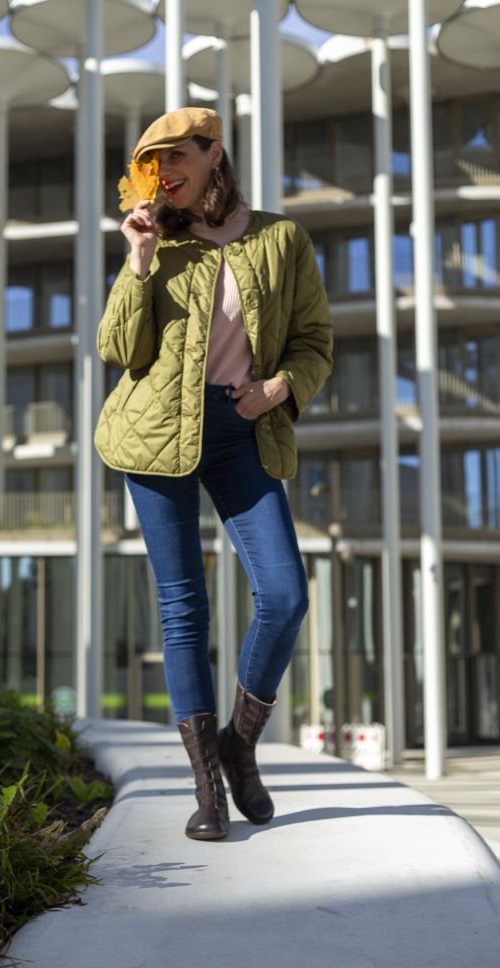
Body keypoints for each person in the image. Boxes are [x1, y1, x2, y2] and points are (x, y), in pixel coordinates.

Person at [94, 107, 333, 841]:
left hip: (241, 432)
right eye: (149, 162)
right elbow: (117, 350)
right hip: (153, 430)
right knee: (182, 610)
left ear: (212, 153)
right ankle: (207, 788)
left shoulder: (279, 239)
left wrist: (279, 387)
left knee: (284, 595)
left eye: (175, 156)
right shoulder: (154, 244)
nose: (162, 172)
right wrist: (137, 264)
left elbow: (313, 340)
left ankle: (239, 743)